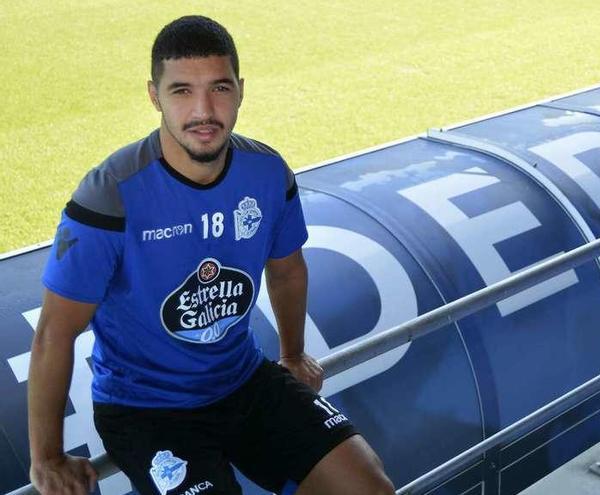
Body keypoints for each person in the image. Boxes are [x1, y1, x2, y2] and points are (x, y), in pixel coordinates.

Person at [27, 15, 394, 495]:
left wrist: (293, 353)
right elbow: (56, 330)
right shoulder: (110, 196)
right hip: (147, 410)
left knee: (370, 489)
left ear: (240, 90)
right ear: (154, 96)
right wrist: (47, 457)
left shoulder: (266, 172)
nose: (204, 110)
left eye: (219, 88)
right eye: (181, 91)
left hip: (242, 380)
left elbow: (286, 271)